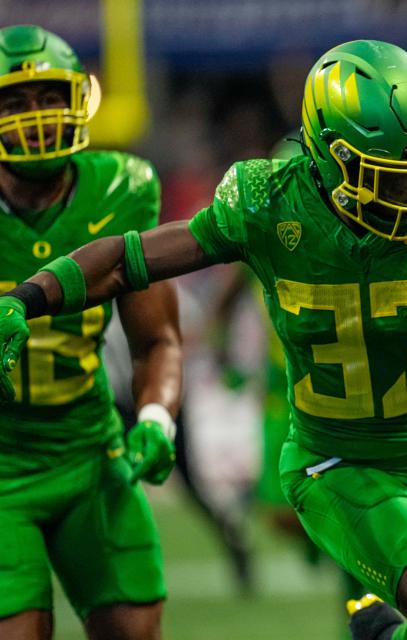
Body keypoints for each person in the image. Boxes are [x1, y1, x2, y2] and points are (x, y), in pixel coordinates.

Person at [0, 40, 407, 640]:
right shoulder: (269, 202)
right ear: (328, 157)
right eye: (390, 179)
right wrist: (26, 298)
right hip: (337, 460)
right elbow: (129, 260)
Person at [0, 25, 182, 640]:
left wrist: (156, 416)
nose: (36, 116)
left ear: (80, 97)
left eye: (49, 96)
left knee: (135, 630)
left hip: (87, 451)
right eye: (14, 102)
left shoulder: (121, 188)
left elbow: (157, 339)